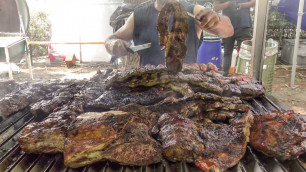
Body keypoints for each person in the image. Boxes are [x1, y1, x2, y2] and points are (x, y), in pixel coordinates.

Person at [105, 0, 234, 68]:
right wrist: (113, 45)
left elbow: (228, 30)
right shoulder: (138, 15)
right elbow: (112, 39)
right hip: (147, 89)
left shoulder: (193, 11)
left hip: (187, 89)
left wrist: (215, 18)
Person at [214, 0, 256, 76]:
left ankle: (246, 76)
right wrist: (228, 4)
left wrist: (242, 5)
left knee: (246, 53)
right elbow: (216, 7)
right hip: (227, 26)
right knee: (227, 52)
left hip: (243, 25)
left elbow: (254, 2)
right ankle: (224, 75)